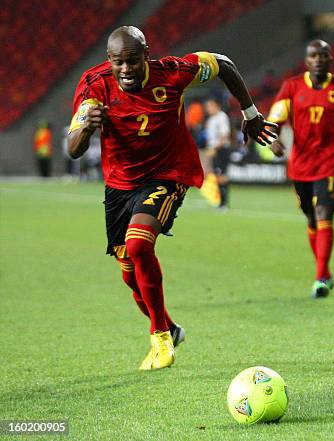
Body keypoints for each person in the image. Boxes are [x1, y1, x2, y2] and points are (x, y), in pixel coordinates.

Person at [67, 26, 276, 370]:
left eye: (132, 61)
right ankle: (172, 327)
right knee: (129, 274)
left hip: (168, 174)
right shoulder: (94, 86)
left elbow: (223, 64)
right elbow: (73, 150)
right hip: (120, 185)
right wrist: (86, 126)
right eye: (118, 63)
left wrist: (250, 114)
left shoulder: (175, 73)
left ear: (145, 55)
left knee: (138, 245)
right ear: (109, 60)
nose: (125, 70)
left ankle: (160, 337)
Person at [267, 39, 334, 298]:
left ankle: (320, 276)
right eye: (314, 55)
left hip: (331, 162)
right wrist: (272, 140)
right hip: (300, 164)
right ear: (307, 60)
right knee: (311, 218)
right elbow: (274, 121)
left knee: (324, 213)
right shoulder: (291, 87)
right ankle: (326, 272)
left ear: (330, 59)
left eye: (323, 55)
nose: (319, 59)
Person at [203, 97, 232, 209]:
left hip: (221, 150)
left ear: (216, 106)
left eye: (210, 106)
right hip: (214, 150)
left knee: (222, 176)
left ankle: (224, 204)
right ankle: (221, 202)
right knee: (217, 175)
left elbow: (224, 136)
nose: (208, 109)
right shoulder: (211, 120)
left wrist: (215, 148)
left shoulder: (221, 117)